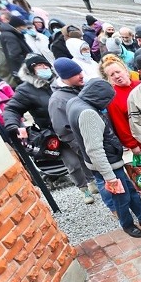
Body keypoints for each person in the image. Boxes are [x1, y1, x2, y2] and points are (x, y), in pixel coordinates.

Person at [68, 79, 141, 238]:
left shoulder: (75, 102)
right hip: (107, 164)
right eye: (107, 101)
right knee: (121, 197)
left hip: (106, 162)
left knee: (129, 190)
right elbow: (95, 150)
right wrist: (109, 177)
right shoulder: (89, 113)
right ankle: (127, 225)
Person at [49, 57, 99, 205]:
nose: (81, 75)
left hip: (94, 136)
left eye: (80, 71)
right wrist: (80, 146)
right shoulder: (58, 100)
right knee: (78, 167)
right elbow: (62, 129)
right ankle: (86, 190)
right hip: (80, 142)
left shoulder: (82, 87)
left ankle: (95, 184)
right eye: (75, 74)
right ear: (65, 78)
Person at [100, 55, 141, 159]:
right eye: (112, 75)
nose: (116, 76)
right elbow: (120, 124)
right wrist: (132, 145)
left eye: (118, 72)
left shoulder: (140, 85)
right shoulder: (113, 97)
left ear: (125, 70)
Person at [2, 54, 54, 141]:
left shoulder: (59, 81)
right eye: (39, 66)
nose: (44, 68)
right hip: (54, 132)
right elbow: (12, 109)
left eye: (46, 65)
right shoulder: (25, 90)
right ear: (31, 71)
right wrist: (13, 126)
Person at [0, 15, 32, 86]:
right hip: (22, 69)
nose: (24, 29)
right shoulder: (10, 36)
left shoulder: (10, 34)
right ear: (18, 26)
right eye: (23, 27)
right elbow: (15, 54)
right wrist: (28, 63)